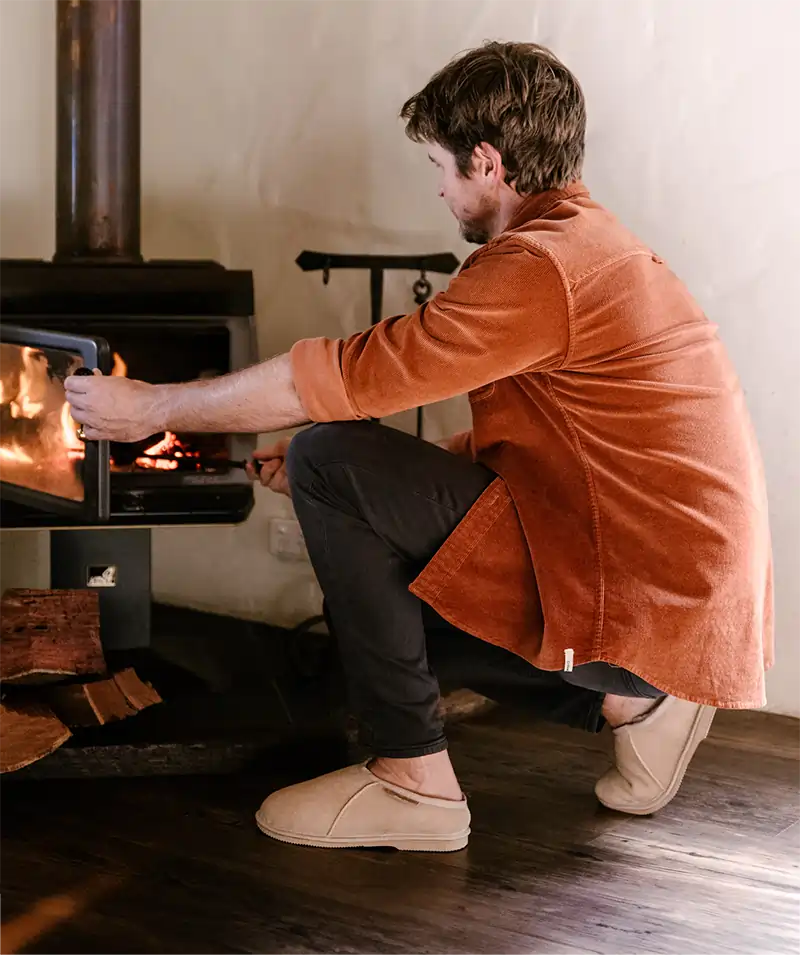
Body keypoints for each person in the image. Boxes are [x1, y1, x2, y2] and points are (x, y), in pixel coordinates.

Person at [66, 41, 773, 853]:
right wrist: (377, 476)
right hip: (669, 579)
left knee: (329, 455)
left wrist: (147, 406)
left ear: (487, 162)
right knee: (387, 595)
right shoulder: (585, 246)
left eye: (441, 166)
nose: (439, 187)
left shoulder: (539, 267)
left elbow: (339, 378)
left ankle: (415, 783)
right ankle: (632, 702)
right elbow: (556, 447)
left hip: (650, 587)